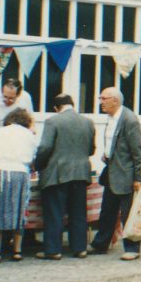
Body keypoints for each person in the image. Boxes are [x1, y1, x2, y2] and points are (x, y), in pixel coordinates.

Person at [34, 94, 96, 260]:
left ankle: (53, 250)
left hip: (58, 173)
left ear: (56, 108)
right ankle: (80, 248)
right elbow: (91, 149)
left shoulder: (53, 121)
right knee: (78, 212)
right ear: (72, 105)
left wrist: (38, 165)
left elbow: (45, 147)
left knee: (55, 212)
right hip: (81, 173)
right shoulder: (88, 122)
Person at [90, 87, 141, 261]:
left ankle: (132, 248)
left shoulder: (129, 120)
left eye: (104, 98)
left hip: (126, 175)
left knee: (128, 213)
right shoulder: (111, 119)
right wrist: (107, 154)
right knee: (107, 211)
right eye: (100, 98)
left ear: (115, 100)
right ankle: (101, 244)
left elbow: (138, 151)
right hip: (111, 171)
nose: (101, 102)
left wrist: (138, 177)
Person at [0, 108, 38, 263]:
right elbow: (32, 156)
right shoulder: (28, 135)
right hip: (19, 172)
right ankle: (17, 251)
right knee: (19, 209)